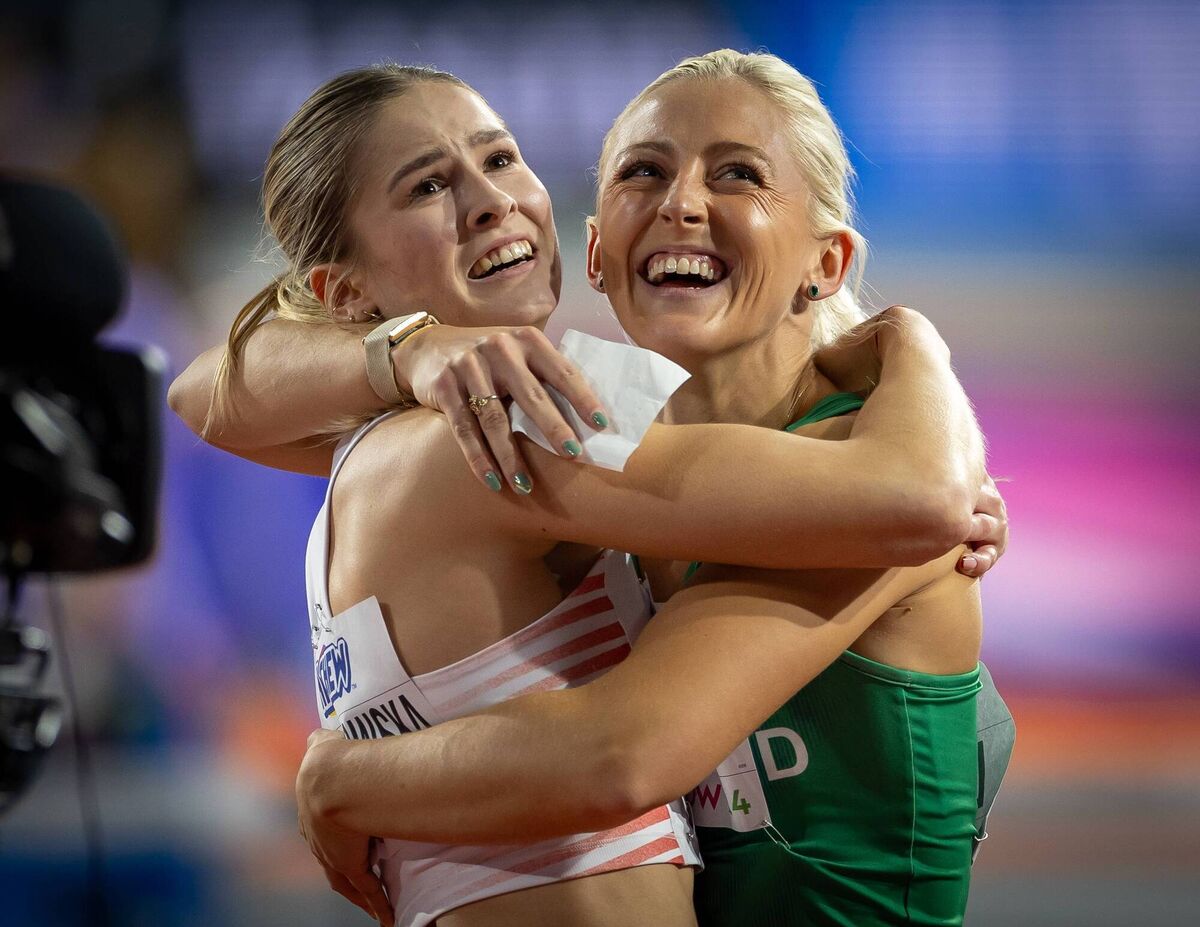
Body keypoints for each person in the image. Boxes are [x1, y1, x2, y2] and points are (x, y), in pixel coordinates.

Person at [171, 55, 1006, 927]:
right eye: (644, 171)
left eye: (737, 174)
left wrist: (915, 345)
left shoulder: (853, 477)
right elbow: (204, 392)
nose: (682, 203)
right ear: (600, 251)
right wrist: (410, 348)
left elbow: (625, 751)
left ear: (827, 263)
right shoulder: (549, 430)